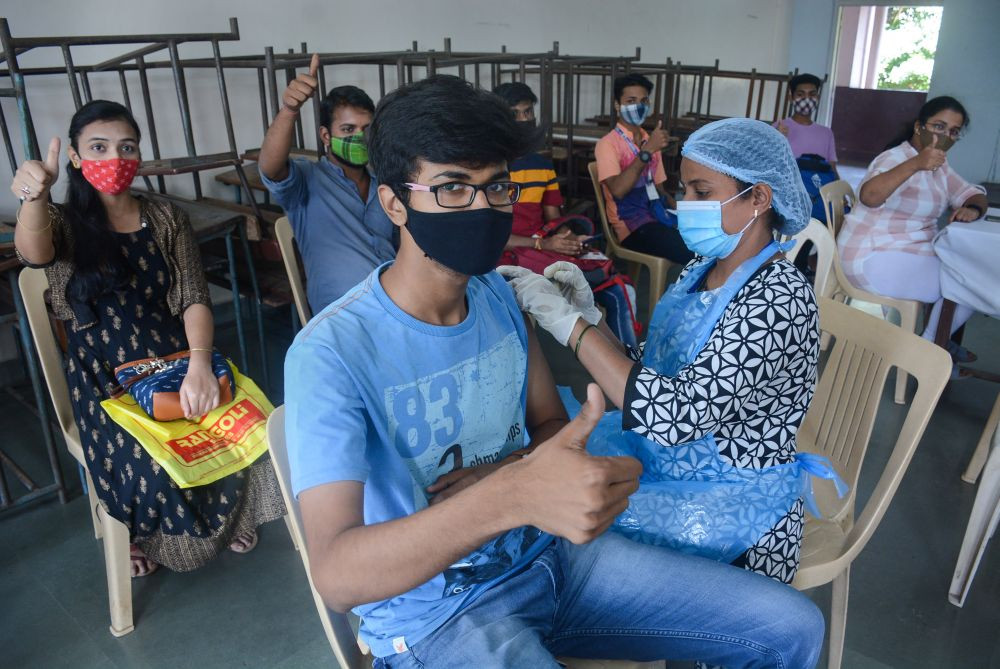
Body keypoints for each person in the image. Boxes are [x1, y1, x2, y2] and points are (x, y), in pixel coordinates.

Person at [284, 75, 823, 668]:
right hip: (444, 611)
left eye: (496, 189)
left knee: (792, 626)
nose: (483, 209)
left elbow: (545, 426)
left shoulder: (496, 297)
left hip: (551, 557)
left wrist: (515, 473)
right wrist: (507, 494)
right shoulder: (332, 351)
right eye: (453, 190)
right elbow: (336, 575)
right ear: (394, 202)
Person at [505, 118, 830, 585]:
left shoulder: (776, 300)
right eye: (683, 189)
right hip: (672, 468)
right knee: (556, 492)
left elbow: (673, 417)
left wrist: (571, 327)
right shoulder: (703, 268)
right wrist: (591, 316)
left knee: (565, 529)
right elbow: (650, 376)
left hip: (735, 506)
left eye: (701, 191)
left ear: (759, 197)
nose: (684, 205)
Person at [10, 100, 285, 577]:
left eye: (126, 147)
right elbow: (34, 252)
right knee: (148, 464)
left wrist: (200, 364)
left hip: (176, 357)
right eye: (98, 147)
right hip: (105, 377)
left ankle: (232, 515)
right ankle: (144, 534)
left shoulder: (163, 216)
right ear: (75, 157)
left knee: (252, 433)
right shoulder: (60, 219)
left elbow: (194, 296)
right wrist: (33, 197)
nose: (113, 158)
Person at [836, 96, 988, 374]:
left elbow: (973, 193)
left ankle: (930, 344)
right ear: (919, 127)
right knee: (972, 284)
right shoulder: (895, 158)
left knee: (970, 274)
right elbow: (869, 196)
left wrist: (973, 209)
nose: (945, 136)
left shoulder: (940, 166)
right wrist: (917, 163)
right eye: (939, 126)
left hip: (909, 253)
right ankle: (927, 350)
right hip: (872, 255)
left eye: (954, 131)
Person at [493, 81, 638, 348]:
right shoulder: (489, 169)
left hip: (541, 246)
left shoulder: (541, 166)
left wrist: (564, 236)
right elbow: (489, 235)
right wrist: (542, 243)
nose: (525, 119)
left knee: (620, 288)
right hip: (506, 254)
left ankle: (629, 365)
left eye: (528, 112)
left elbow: (552, 217)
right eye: (516, 113)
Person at [259, 53, 395, 314]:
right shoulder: (306, 181)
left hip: (396, 301)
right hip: (344, 312)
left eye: (365, 129)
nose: (359, 137)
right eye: (347, 129)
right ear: (325, 136)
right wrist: (289, 110)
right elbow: (270, 167)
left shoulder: (385, 183)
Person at [594, 74, 693, 265]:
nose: (638, 106)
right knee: (692, 252)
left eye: (643, 100)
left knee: (707, 239)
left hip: (658, 215)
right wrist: (647, 151)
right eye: (631, 101)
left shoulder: (649, 138)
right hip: (632, 226)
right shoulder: (608, 144)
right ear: (617, 105)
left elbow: (660, 190)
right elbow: (618, 191)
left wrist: (683, 214)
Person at [774, 73, 839, 173]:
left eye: (812, 94)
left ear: (817, 97)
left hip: (818, 187)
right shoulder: (778, 128)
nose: (807, 99)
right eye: (800, 94)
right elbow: (768, 163)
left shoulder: (827, 133)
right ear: (791, 97)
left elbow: (832, 169)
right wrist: (778, 139)